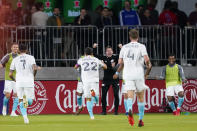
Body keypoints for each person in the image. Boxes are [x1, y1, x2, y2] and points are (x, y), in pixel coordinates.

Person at [113, 29, 152, 127]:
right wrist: (148, 66)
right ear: (138, 37)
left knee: (130, 95)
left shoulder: (124, 47)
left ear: (130, 37)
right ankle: (140, 120)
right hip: (138, 74)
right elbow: (147, 60)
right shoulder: (141, 46)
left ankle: (130, 109)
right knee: (140, 97)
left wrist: (117, 71)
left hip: (127, 74)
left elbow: (120, 62)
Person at [9, 43, 39, 124]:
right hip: (29, 81)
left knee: (21, 99)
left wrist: (15, 80)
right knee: (30, 101)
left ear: (18, 50)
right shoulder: (31, 57)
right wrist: (33, 76)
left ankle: (25, 118)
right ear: (26, 50)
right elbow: (35, 68)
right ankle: (25, 116)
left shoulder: (15, 59)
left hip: (19, 82)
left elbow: (10, 74)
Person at [75, 47, 107, 119]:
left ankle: (91, 116)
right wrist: (100, 65)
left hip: (85, 81)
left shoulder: (81, 59)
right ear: (92, 53)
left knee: (88, 98)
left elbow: (75, 66)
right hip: (94, 80)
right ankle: (94, 96)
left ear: (85, 53)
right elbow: (105, 67)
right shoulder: (96, 59)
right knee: (95, 96)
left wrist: (78, 66)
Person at [93, 44, 120, 115]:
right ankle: (104, 111)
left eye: (110, 50)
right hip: (106, 79)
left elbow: (123, 55)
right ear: (106, 52)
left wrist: (121, 48)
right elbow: (95, 55)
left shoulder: (115, 57)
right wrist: (94, 48)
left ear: (112, 51)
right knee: (103, 95)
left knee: (116, 95)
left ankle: (116, 111)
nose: (109, 52)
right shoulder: (103, 57)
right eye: (107, 51)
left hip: (115, 78)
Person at [0, 43, 19, 116]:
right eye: (14, 47)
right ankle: (4, 109)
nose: (15, 49)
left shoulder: (19, 57)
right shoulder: (8, 56)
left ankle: (13, 112)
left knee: (17, 95)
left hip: (17, 79)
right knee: (8, 95)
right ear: (11, 48)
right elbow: (1, 63)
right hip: (8, 78)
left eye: (17, 48)